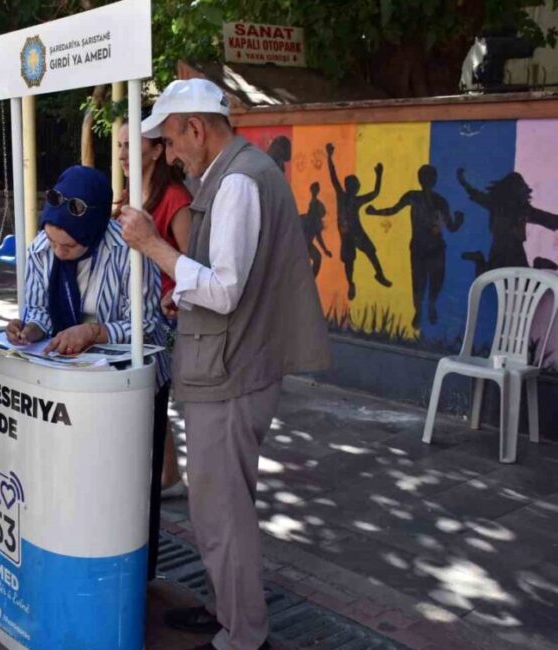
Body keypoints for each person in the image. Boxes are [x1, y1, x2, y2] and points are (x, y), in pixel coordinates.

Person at [117, 79, 331, 650]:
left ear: (196, 127)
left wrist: (154, 246)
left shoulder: (237, 182)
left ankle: (243, 635)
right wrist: (180, 292)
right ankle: (228, 613)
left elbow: (227, 290)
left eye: (169, 139)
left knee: (223, 516)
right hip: (231, 366)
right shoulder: (235, 174)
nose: (169, 153)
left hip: (232, 374)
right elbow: (222, 281)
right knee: (221, 510)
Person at [6, 164, 171, 581]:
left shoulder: (129, 251)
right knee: (76, 480)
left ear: (94, 228)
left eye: (68, 246)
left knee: (129, 485)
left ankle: (135, 579)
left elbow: (151, 325)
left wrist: (96, 332)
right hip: (69, 383)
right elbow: (39, 307)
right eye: (54, 240)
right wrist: (30, 327)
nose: (57, 250)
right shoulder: (42, 245)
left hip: (128, 385)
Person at [116, 122, 190, 498]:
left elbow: (193, 260)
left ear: (157, 150)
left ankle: (169, 475)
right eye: (120, 146)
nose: (123, 153)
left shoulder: (175, 197)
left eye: (131, 145)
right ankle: (167, 474)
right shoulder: (131, 194)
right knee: (146, 393)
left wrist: (175, 294)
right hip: (135, 309)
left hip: (167, 313)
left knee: (153, 392)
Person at [366, 165, 463, 327]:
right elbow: (452, 227)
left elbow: (392, 210)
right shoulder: (427, 199)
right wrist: (459, 220)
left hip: (429, 248)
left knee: (427, 281)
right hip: (425, 248)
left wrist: (375, 212)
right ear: (433, 180)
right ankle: (423, 309)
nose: (426, 180)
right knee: (423, 282)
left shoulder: (424, 198)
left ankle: (425, 308)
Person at [325, 143, 392, 299]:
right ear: (352, 187)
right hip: (348, 234)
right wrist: (329, 157)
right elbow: (333, 176)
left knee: (371, 252)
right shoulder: (342, 196)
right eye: (355, 185)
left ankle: (379, 274)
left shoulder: (355, 199)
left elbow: (375, 193)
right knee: (350, 262)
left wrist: (379, 175)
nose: (356, 188)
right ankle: (351, 284)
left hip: (357, 232)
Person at [302, 182, 332, 277]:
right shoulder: (307, 218)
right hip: (300, 244)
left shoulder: (314, 221)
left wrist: (325, 250)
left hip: (306, 245)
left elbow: (319, 237)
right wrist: (325, 250)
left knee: (317, 258)